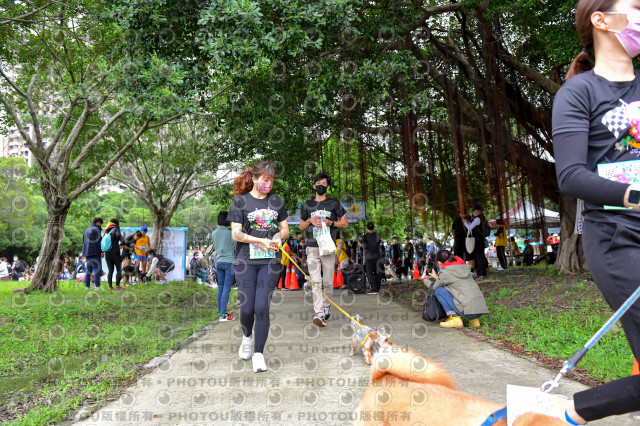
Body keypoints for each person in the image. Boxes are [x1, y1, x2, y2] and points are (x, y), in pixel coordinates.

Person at [551, 1, 640, 423]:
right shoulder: (578, 92)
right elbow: (570, 176)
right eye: (636, 6)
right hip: (617, 238)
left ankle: (566, 412)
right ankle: (570, 411)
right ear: (601, 20)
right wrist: (635, 196)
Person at [228, 160, 289, 373]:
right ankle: (247, 337)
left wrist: (277, 237)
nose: (268, 184)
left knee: (262, 307)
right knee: (247, 309)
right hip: (245, 261)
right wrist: (260, 240)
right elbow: (236, 233)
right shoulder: (240, 202)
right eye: (265, 180)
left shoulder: (276, 201)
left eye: (271, 181)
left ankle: (259, 354)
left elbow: (285, 229)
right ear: (254, 178)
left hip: (270, 262)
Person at [299, 172, 347, 328]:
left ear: (328, 187)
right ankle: (319, 314)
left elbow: (344, 223)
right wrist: (309, 220)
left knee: (327, 282)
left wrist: (330, 222)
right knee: (316, 282)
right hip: (312, 247)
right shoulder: (307, 205)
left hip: (328, 248)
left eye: (323, 184)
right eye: (318, 184)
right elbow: (301, 226)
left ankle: (326, 306)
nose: (320, 186)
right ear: (314, 186)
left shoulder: (334, 203)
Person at [423, 249, 489, 329]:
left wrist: (424, 279)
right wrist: (437, 277)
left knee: (439, 290)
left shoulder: (446, 272)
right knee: (464, 292)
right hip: (480, 310)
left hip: (467, 311)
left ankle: (455, 319)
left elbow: (433, 287)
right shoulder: (463, 268)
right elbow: (452, 282)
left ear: (439, 262)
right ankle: (474, 321)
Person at [211, 211, 236, 321]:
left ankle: (220, 312)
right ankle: (223, 314)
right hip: (229, 262)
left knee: (220, 287)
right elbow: (235, 245)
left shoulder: (214, 233)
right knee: (226, 288)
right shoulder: (231, 233)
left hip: (219, 262)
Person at [463, 205, 489, 278]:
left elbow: (470, 228)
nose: (474, 212)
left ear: (478, 211)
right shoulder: (483, 218)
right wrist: (468, 223)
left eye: (475, 211)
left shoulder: (477, 219)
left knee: (479, 256)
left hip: (477, 240)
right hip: (481, 239)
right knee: (480, 255)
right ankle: (481, 271)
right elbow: (473, 226)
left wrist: (464, 222)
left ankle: (482, 272)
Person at [82, 218, 105, 290]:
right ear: (98, 222)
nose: (100, 225)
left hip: (87, 252)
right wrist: (101, 251)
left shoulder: (86, 230)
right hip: (95, 252)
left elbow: (83, 242)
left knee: (88, 270)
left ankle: (87, 286)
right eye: (100, 223)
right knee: (97, 269)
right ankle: (97, 286)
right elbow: (99, 242)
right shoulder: (97, 230)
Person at [361, 222, 383, 294]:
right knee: (378, 272)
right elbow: (379, 243)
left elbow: (364, 246)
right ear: (373, 228)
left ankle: (374, 289)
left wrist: (360, 244)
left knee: (369, 273)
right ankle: (377, 287)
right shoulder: (377, 235)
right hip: (377, 256)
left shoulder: (365, 236)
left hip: (369, 257)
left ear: (367, 228)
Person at [104, 218, 125, 290]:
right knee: (118, 269)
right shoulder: (116, 229)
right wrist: (121, 244)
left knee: (110, 270)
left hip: (107, 252)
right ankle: (117, 286)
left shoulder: (106, 230)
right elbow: (122, 239)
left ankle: (110, 286)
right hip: (115, 252)